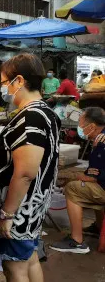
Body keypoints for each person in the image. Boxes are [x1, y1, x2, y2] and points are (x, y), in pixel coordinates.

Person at [0, 54, 60, 282]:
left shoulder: (32, 117)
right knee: (30, 259)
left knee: (14, 268)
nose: (4, 89)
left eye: (5, 82)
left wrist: (7, 214)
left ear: (19, 81)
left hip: (18, 212)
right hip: (27, 210)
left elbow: (26, 172)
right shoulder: (44, 112)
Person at [50, 107, 105, 254]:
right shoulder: (101, 136)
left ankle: (77, 241)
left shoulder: (101, 142)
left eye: (81, 124)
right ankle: (99, 226)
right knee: (87, 186)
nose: (79, 128)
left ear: (92, 126)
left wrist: (73, 178)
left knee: (74, 188)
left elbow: (92, 177)